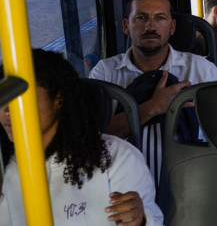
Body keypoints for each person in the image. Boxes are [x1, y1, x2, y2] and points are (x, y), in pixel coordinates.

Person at [0, 49, 164, 225]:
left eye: (20, 101)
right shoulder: (5, 164)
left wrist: (139, 220)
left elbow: (148, 219)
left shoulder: (117, 159)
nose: (6, 112)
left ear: (58, 99)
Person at [89, 0, 217, 183]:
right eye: (141, 18)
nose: (150, 27)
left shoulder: (201, 70)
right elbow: (91, 136)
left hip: (192, 180)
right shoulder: (105, 73)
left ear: (172, 27)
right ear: (126, 26)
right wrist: (153, 107)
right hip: (121, 184)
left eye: (160, 18)